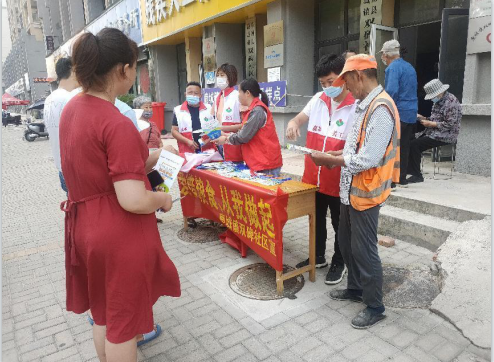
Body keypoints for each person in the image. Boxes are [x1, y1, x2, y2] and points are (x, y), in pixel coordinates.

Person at [59, 28, 180, 361]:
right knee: (124, 325)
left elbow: (110, 162)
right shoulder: (116, 122)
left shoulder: (73, 110)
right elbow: (133, 199)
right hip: (118, 234)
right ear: (123, 70)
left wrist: (157, 155)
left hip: (85, 228)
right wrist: (163, 198)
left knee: (103, 313)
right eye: (133, 65)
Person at [310, 54, 400, 329]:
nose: (345, 88)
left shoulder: (381, 108)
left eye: (347, 80)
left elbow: (369, 157)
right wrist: (337, 152)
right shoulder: (364, 104)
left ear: (359, 76)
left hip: (367, 192)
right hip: (351, 190)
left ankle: (375, 305)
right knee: (347, 244)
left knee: (364, 251)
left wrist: (332, 160)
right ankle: (355, 288)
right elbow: (354, 147)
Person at [286, 54, 356, 285]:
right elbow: (299, 119)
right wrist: (293, 124)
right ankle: (317, 256)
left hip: (337, 176)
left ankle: (340, 260)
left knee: (339, 223)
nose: (327, 87)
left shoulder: (356, 105)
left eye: (331, 81)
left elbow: (355, 147)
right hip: (313, 176)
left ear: (344, 78)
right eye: (323, 83)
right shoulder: (318, 99)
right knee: (315, 218)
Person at [214, 78, 283, 176]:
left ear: (247, 93)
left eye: (239, 92)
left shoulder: (257, 111)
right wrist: (222, 131)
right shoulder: (253, 110)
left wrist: (225, 139)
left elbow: (243, 136)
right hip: (259, 161)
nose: (238, 95)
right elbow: (243, 128)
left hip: (265, 163)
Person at [408, 79, 462, 183]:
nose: (432, 98)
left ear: (439, 92)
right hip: (434, 131)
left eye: (433, 96)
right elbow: (435, 118)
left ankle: (417, 175)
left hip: (446, 135)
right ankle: (411, 170)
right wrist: (424, 118)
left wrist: (431, 124)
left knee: (415, 145)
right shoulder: (439, 101)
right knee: (410, 140)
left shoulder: (451, 102)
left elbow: (450, 124)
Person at [380, 39, 418, 186]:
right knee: (405, 146)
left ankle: (392, 179)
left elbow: (391, 92)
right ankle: (402, 177)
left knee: (393, 147)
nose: (382, 57)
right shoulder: (409, 67)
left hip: (398, 113)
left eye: (383, 54)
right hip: (410, 113)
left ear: (386, 54)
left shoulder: (393, 68)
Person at [43, 57, 80, 193]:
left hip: (61, 167)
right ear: (73, 70)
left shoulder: (50, 99)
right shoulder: (69, 99)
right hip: (74, 170)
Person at [172, 81, 214, 154]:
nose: (193, 95)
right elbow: (174, 131)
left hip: (208, 150)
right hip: (187, 151)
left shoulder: (209, 108)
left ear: (201, 95)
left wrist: (209, 140)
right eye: (190, 93)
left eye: (196, 93)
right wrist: (187, 141)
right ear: (185, 94)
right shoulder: (178, 110)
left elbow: (215, 128)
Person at [212, 63, 243, 162]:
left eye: (222, 75)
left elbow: (245, 123)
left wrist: (224, 131)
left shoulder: (237, 96)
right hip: (218, 143)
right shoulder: (217, 97)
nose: (219, 78)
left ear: (230, 77)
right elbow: (212, 118)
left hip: (233, 143)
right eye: (217, 75)